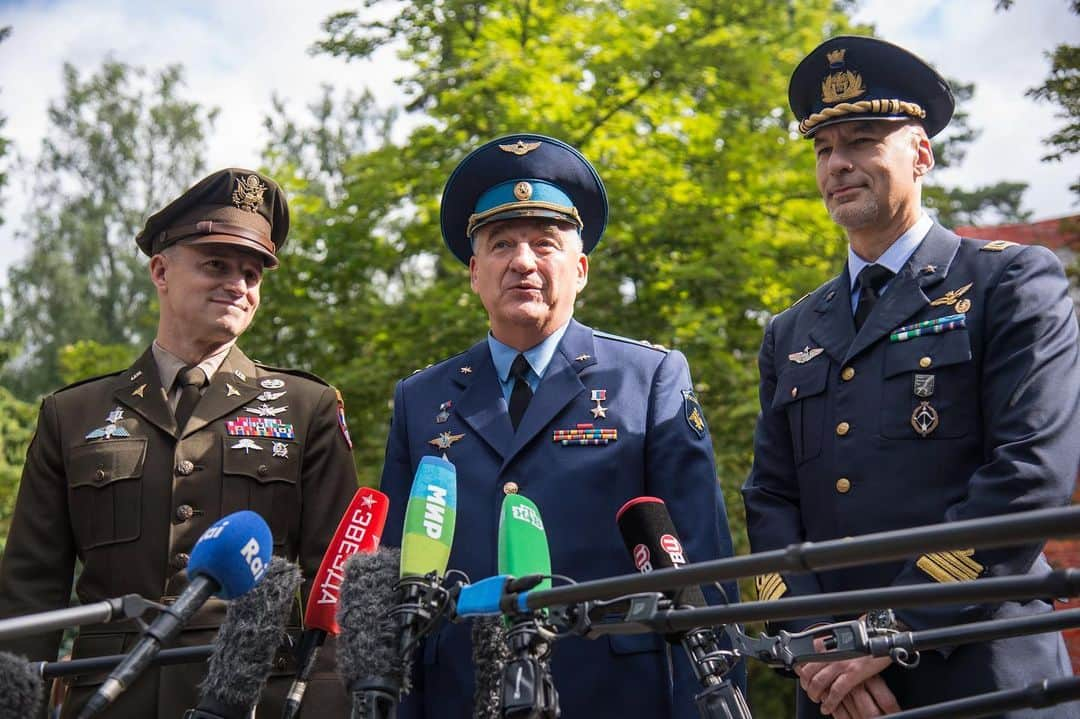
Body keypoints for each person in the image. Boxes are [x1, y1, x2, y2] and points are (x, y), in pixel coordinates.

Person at [742, 35, 1080, 719]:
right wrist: (816, 643)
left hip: (982, 671)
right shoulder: (791, 331)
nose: (838, 164)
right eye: (823, 149)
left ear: (921, 154)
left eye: (862, 140)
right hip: (838, 691)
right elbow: (770, 500)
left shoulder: (1008, 281)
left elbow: (1029, 477)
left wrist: (889, 629)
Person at [378, 134, 740, 719]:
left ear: (581, 268)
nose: (522, 261)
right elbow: (394, 576)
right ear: (474, 272)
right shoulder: (420, 399)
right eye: (500, 245)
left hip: (611, 693)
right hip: (459, 695)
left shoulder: (647, 380)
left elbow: (701, 565)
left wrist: (713, 702)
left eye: (544, 244)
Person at [0, 168, 358, 718]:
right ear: (160, 270)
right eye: (216, 264)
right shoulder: (72, 414)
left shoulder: (304, 407)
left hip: (251, 698)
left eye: (252, 272)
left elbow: (333, 586)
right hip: (108, 695)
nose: (238, 284)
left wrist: (327, 706)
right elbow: (30, 587)